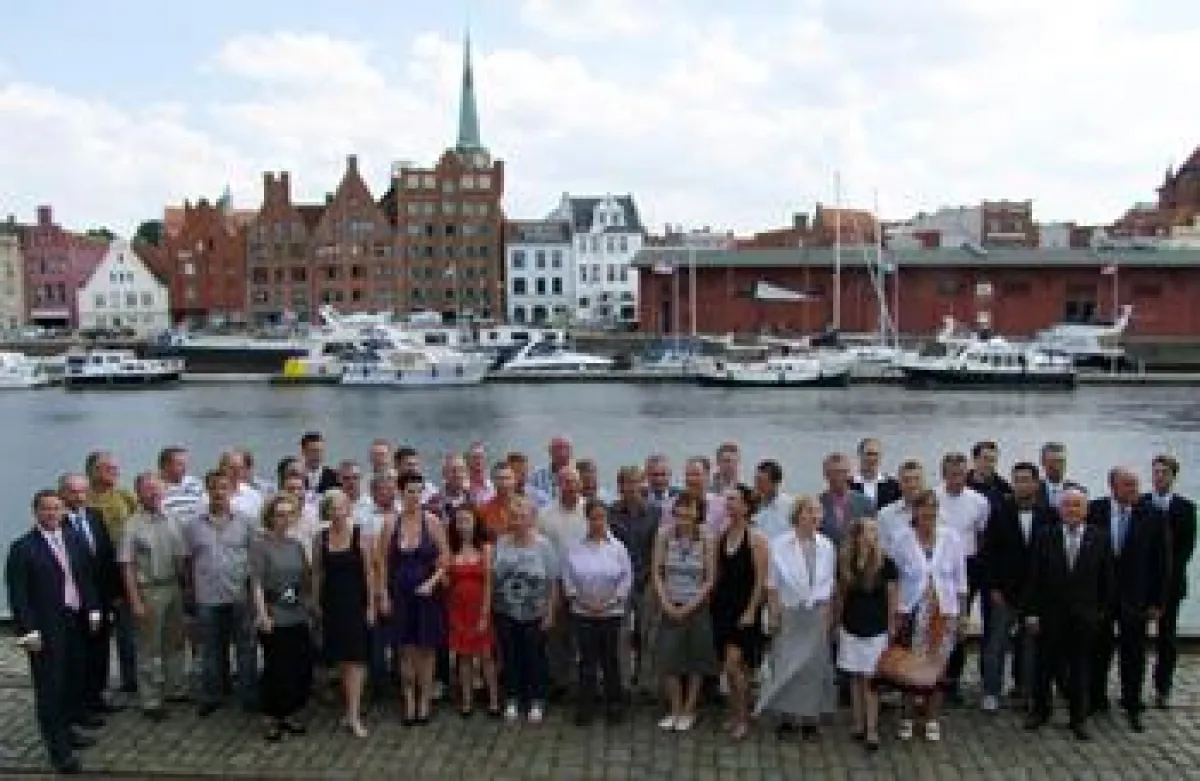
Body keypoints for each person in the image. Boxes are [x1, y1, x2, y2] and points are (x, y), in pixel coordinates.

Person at [6, 489, 102, 775]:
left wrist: (94, 607)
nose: (52, 514)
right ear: (35, 512)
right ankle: (59, 751)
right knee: (50, 688)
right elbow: (18, 594)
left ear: (63, 512)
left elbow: (85, 576)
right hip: (45, 628)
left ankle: (68, 730)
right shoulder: (22, 548)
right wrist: (28, 631)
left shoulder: (73, 538)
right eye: (46, 509)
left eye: (56, 508)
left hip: (75, 621)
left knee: (73, 679)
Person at [1023, 489, 1115, 741]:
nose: (1072, 510)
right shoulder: (1044, 536)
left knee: (1080, 669)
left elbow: (1107, 580)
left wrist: (1102, 614)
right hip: (1050, 615)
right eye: (1067, 505)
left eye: (1077, 505)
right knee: (1044, 666)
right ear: (1059, 509)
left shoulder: (1101, 538)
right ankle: (1040, 712)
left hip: (1084, 617)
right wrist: (1031, 612)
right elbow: (1033, 577)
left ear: (1086, 510)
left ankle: (1078, 718)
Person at [1086, 467, 1169, 733]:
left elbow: (1162, 562)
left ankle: (1132, 702)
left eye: (1136, 485)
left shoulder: (1153, 516)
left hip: (1137, 597)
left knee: (1133, 652)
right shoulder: (1094, 510)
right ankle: (1095, 698)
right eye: (1128, 485)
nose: (1134, 490)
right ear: (1113, 486)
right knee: (1098, 648)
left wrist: (1158, 601)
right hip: (1100, 595)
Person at [979, 461, 1059, 710]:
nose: (1022, 484)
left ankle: (1027, 691)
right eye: (1017, 480)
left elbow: (1053, 558)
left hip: (1035, 594)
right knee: (996, 645)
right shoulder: (1000, 511)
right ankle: (992, 691)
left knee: (1031, 646)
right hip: (1005, 591)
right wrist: (993, 587)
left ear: (1036, 483)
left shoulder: (1049, 514)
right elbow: (989, 552)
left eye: (1026, 479)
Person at [756, 496, 837, 740]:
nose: (814, 517)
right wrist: (773, 614)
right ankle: (788, 718)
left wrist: (830, 614)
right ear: (797, 515)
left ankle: (810, 719)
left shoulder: (826, 545)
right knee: (787, 664)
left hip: (817, 613)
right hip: (790, 611)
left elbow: (830, 582)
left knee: (814, 668)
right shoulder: (780, 544)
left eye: (817, 513)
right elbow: (772, 584)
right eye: (809, 512)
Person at [891, 490, 968, 743]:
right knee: (908, 667)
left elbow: (960, 581)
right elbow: (894, 581)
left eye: (933, 508)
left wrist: (962, 615)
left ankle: (932, 717)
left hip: (943, 613)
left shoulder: (952, 538)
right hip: (911, 612)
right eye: (923, 508)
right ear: (915, 512)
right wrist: (894, 614)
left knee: (937, 667)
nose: (929, 513)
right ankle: (907, 716)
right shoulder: (901, 539)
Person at [183, 471, 258, 717]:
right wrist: (190, 592)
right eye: (214, 488)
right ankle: (213, 695)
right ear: (207, 491)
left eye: (223, 488)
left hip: (239, 595)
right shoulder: (193, 525)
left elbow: (255, 558)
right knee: (211, 649)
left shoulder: (246, 522)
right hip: (207, 596)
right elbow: (188, 561)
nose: (218, 493)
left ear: (231, 491)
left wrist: (254, 592)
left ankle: (248, 695)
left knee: (246, 649)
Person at [378, 472, 449, 725]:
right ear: (400, 493)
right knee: (405, 651)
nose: (415, 496)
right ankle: (408, 698)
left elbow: (445, 559)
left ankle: (424, 700)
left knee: (427, 651)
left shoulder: (432, 522)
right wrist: (383, 594)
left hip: (427, 596)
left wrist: (432, 583)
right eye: (410, 491)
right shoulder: (390, 524)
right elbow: (382, 563)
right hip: (401, 596)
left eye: (419, 491)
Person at [118, 473, 188, 720]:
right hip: (148, 590)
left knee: (175, 642)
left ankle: (175, 688)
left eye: (158, 490)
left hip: (173, 588)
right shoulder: (132, 524)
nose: (154, 494)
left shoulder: (173, 519)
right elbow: (126, 566)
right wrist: (135, 601)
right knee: (148, 647)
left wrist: (186, 589)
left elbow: (182, 558)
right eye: (148, 490)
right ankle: (150, 700)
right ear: (138, 493)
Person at [651, 493, 718, 732]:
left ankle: (690, 709)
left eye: (688, 512)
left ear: (697, 513)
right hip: (670, 604)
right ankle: (675, 709)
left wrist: (691, 606)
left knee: (696, 659)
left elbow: (710, 579)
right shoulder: (664, 535)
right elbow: (657, 572)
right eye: (679, 512)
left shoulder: (707, 538)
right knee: (669, 658)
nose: (683, 517)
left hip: (697, 607)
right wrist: (666, 603)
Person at [562, 500, 632, 725]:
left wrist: (608, 603)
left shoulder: (618, 547)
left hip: (611, 613)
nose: (598, 522)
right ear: (587, 519)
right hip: (583, 613)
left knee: (611, 660)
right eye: (593, 517)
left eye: (602, 517)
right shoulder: (575, 548)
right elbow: (568, 580)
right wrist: (585, 602)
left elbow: (626, 579)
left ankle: (614, 704)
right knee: (586, 661)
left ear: (607, 519)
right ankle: (586, 705)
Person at [249, 495, 313, 742]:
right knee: (276, 669)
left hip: (297, 612)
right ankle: (271, 716)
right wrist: (262, 614)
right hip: (274, 614)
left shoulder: (296, 545)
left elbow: (305, 578)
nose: (284, 519)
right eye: (280, 514)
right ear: (270, 517)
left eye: (289, 514)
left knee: (299, 666)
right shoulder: (260, 545)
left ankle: (290, 712)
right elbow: (256, 583)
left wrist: (309, 605)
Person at [312, 489, 375, 738]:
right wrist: (316, 602)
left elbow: (370, 572)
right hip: (332, 604)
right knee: (340, 659)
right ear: (326, 511)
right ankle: (349, 708)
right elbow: (317, 572)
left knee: (356, 660)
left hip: (356, 603)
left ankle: (354, 714)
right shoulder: (321, 538)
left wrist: (371, 605)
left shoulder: (361, 535)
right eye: (332, 508)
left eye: (341, 507)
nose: (337, 512)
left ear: (348, 508)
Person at [58, 472, 122, 718]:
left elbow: (106, 556)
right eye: (73, 492)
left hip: (100, 598)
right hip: (74, 601)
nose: (79, 497)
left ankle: (96, 697)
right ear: (63, 493)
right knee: (78, 656)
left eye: (82, 492)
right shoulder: (57, 522)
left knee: (100, 650)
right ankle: (78, 705)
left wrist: (115, 592)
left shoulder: (95, 516)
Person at [492, 497, 559, 724]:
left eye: (522, 516)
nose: (518, 521)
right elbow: (493, 577)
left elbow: (553, 582)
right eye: (514, 516)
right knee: (510, 656)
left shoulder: (544, 545)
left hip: (534, 612)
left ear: (532, 518)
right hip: (505, 611)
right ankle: (512, 697)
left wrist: (550, 612)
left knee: (535, 657)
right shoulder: (501, 543)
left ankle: (536, 699)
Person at [710, 485, 769, 741]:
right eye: (728, 500)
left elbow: (760, 581)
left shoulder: (756, 540)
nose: (730, 504)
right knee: (729, 667)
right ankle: (734, 712)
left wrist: (751, 611)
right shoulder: (721, 538)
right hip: (722, 609)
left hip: (745, 610)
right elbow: (716, 577)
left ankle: (743, 718)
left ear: (746, 506)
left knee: (736, 666)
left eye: (734, 500)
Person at [836, 517, 898, 752]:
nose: (874, 535)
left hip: (876, 628)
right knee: (855, 676)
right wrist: (836, 622)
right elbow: (841, 595)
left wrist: (892, 624)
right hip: (851, 625)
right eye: (869, 531)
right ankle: (858, 722)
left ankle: (872, 729)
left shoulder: (887, 563)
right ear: (858, 535)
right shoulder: (846, 562)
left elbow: (892, 596)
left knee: (871, 680)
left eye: (875, 530)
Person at [1142, 454, 1196, 709]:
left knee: (1167, 637)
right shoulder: (1142, 503)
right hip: (1140, 583)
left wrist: (1165, 582)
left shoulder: (1186, 508)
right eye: (1156, 472)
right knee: (1134, 636)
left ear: (1174, 476)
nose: (1159, 476)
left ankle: (1163, 687)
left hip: (1171, 585)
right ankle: (1134, 685)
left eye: (1164, 472)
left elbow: (1186, 549)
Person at [937, 452, 991, 705]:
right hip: (938, 566)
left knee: (959, 624)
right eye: (951, 474)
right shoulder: (933, 498)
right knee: (936, 623)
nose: (956, 479)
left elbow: (981, 537)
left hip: (967, 565)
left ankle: (952, 681)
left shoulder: (979, 501)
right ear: (943, 474)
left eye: (960, 474)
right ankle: (932, 676)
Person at [608, 465, 662, 694]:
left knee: (647, 633)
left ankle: (645, 682)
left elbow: (656, 548)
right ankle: (622, 682)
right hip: (618, 583)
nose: (631, 487)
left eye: (635, 482)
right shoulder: (611, 513)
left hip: (645, 580)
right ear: (620, 486)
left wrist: (652, 579)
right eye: (626, 482)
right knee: (620, 634)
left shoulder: (655, 512)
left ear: (643, 485)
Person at [445, 503, 500, 718]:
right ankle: (467, 701)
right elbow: (447, 582)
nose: (463, 525)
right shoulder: (451, 550)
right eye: (459, 521)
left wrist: (485, 613)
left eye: (467, 520)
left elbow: (488, 583)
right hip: (458, 610)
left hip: (479, 608)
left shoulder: (485, 548)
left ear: (476, 522)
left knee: (486, 656)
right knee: (464, 657)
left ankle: (494, 699)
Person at [818, 453, 874, 547]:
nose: (839, 476)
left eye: (844, 472)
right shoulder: (817, 504)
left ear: (850, 474)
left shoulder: (865, 503)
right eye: (835, 472)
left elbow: (872, 536)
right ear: (826, 475)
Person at [851, 438, 901, 510]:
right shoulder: (848, 484)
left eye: (876, 454)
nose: (872, 458)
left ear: (880, 456)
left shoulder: (893, 486)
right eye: (869, 454)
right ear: (859, 455)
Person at [752, 460, 793, 542]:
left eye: (761, 481)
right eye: (756, 481)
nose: (757, 486)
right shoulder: (750, 505)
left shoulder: (790, 506)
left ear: (776, 483)